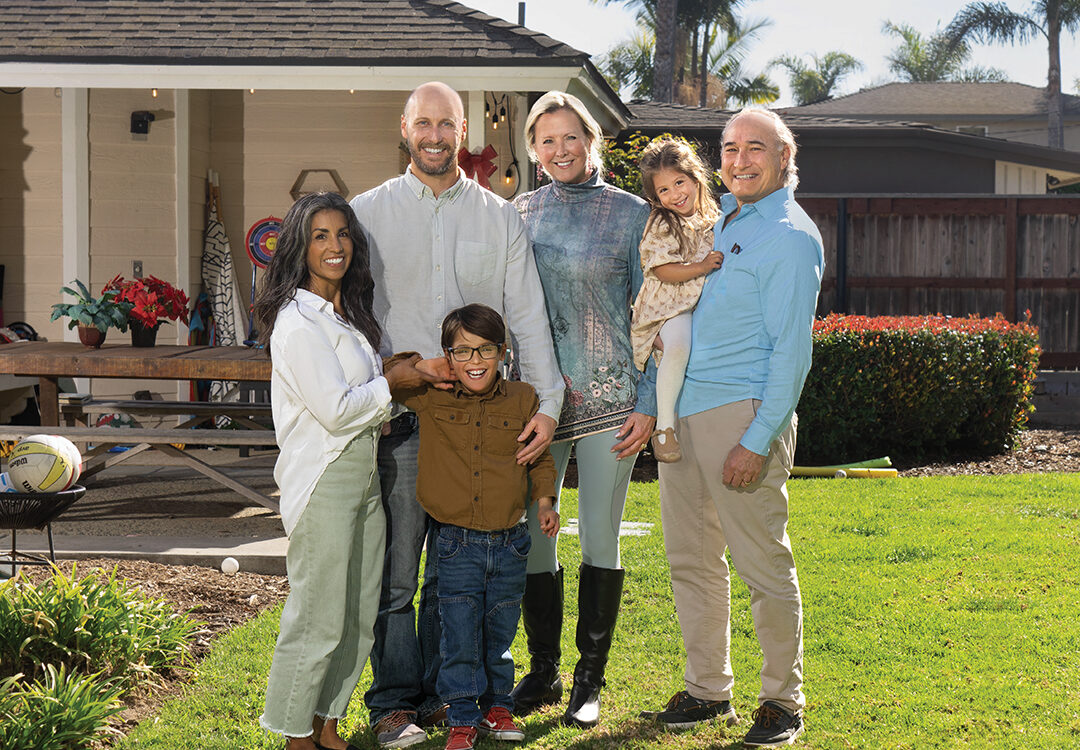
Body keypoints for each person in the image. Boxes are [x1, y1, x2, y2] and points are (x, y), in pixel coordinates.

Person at [349, 81, 564, 749]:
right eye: (424, 123)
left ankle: (448, 696)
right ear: (405, 129)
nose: (436, 135)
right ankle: (392, 702)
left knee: (456, 574)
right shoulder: (365, 214)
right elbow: (350, 319)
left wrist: (548, 406)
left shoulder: (499, 218)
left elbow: (526, 312)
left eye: (447, 123)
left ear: (462, 130)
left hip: (483, 424)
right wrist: (368, 393)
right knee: (396, 575)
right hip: (401, 419)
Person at [639, 108, 824, 748]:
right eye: (730, 147)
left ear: (783, 157)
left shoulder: (791, 238)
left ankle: (782, 700)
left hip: (742, 415)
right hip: (683, 417)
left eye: (755, 149)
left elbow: (791, 354)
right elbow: (673, 322)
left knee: (762, 565)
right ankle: (706, 688)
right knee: (690, 559)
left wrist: (757, 438)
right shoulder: (720, 223)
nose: (739, 159)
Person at [255, 192, 440, 750]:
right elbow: (335, 410)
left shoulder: (343, 315)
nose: (335, 246)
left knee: (359, 608)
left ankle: (327, 721)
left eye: (342, 234)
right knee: (318, 614)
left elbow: (361, 393)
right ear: (299, 246)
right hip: (324, 477)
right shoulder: (296, 322)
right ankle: (294, 733)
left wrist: (400, 373)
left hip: (361, 469)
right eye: (320, 236)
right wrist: (395, 383)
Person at [511, 90, 657, 729]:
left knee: (600, 535)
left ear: (591, 139)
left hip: (610, 401)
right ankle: (541, 671)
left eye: (571, 137)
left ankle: (586, 682)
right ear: (533, 150)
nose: (560, 149)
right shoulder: (518, 214)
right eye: (547, 140)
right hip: (539, 404)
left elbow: (657, 314)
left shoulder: (632, 215)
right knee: (533, 542)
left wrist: (649, 403)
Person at [389, 303, 560, 750]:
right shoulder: (432, 396)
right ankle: (462, 717)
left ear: (503, 352)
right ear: (448, 356)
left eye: (485, 349)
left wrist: (546, 501)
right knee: (459, 633)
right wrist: (424, 367)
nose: (475, 361)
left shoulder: (523, 398)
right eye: (462, 352)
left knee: (500, 633)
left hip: (511, 543)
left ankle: (497, 706)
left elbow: (539, 456)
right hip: (455, 543)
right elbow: (386, 374)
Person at [630, 138, 725, 463]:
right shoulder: (663, 221)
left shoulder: (713, 217)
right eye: (664, 191)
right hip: (667, 308)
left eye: (679, 182)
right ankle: (664, 428)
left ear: (696, 176)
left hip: (693, 306)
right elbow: (662, 270)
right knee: (680, 345)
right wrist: (700, 266)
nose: (674, 195)